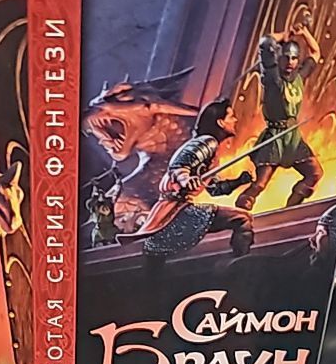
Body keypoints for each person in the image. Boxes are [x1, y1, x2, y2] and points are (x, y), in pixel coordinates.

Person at [139, 97, 254, 268]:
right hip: (177, 210)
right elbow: (179, 167)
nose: (235, 120)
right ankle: (239, 263)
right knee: (243, 219)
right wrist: (186, 179)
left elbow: (214, 189)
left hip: (175, 209)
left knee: (156, 256)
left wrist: (238, 181)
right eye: (231, 116)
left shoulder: (212, 152)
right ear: (221, 122)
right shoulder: (207, 142)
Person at [236, 21, 324, 211]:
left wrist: (304, 32)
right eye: (286, 57)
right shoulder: (272, 78)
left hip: (292, 138)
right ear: (279, 58)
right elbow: (265, 42)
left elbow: (316, 53)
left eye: (294, 58)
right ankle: (239, 214)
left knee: (314, 173)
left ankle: (289, 211)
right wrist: (284, 35)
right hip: (274, 138)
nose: (290, 62)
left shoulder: (299, 77)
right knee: (260, 185)